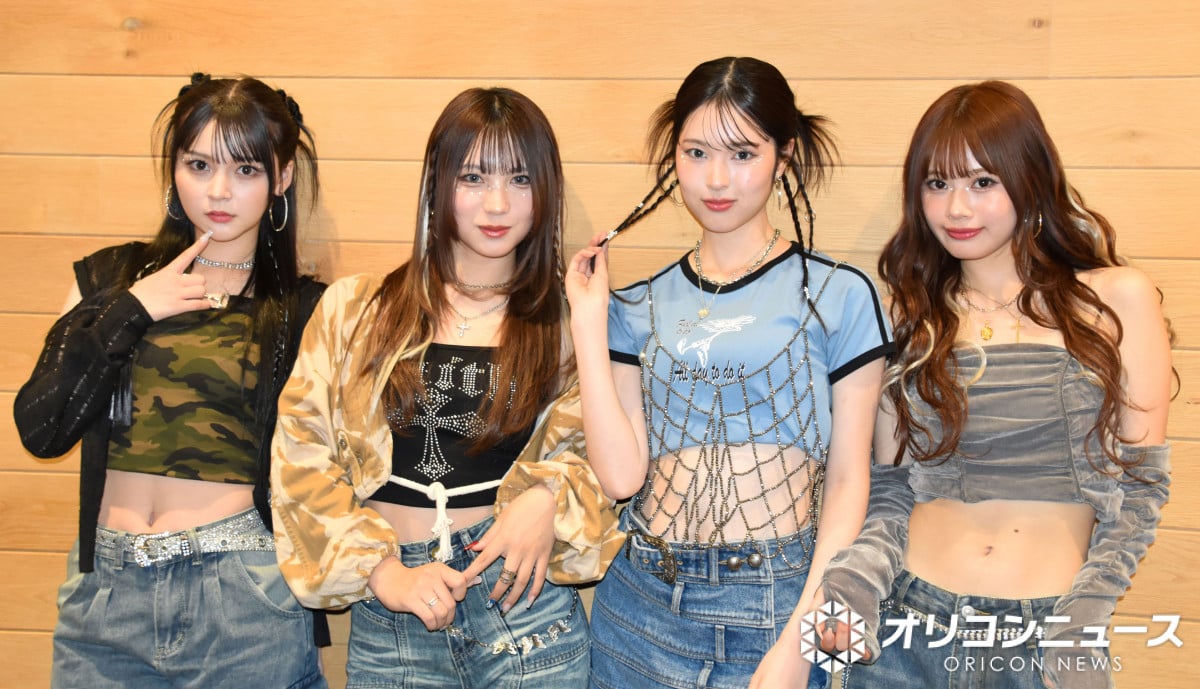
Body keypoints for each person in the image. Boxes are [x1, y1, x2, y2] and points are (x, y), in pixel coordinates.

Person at [818, 80, 1173, 689]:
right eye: (937, 184)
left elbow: (1140, 489)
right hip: (906, 627)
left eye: (982, 182)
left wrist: (1082, 621)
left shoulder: (1115, 299)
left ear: (1028, 180)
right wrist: (851, 588)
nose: (957, 209)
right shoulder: (909, 315)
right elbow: (893, 485)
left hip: (1045, 639)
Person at [270, 86, 622, 688]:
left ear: (546, 189)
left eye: (519, 179)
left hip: (525, 614)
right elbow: (300, 457)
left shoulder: (570, 323)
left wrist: (548, 498)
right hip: (392, 612)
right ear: (438, 182)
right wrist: (382, 572)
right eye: (473, 177)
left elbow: (612, 462)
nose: (496, 203)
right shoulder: (356, 310)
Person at [566, 56, 894, 689]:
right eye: (696, 153)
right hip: (640, 608)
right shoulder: (634, 305)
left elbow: (851, 480)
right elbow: (621, 477)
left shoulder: (840, 295)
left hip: (777, 603)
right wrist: (587, 319)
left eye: (743, 154)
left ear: (783, 156)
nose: (716, 179)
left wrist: (804, 642)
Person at [14, 73, 328, 688]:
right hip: (105, 594)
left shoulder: (305, 309)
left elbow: (327, 469)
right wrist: (132, 308)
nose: (218, 191)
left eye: (245, 169)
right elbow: (42, 428)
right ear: (173, 169)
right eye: (198, 165)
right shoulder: (109, 278)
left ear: (282, 177)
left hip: (242, 593)